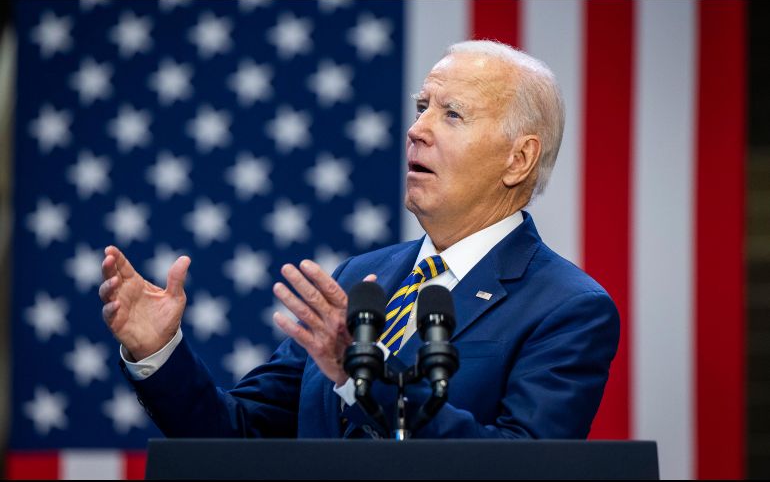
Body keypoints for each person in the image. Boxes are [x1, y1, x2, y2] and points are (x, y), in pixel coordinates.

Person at [99, 40, 619, 439]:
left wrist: (364, 378)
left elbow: (517, 466)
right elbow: (239, 432)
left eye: (452, 113)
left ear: (518, 159)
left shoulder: (568, 309)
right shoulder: (362, 279)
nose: (417, 129)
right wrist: (158, 352)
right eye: (422, 106)